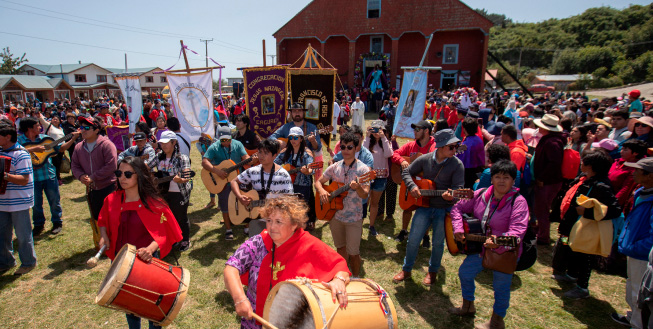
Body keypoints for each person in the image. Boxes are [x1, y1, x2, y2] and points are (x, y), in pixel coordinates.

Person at [224, 195, 350, 329]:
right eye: (269, 220)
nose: (272, 227)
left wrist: (339, 279)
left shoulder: (309, 244)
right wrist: (240, 300)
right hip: (253, 321)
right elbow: (231, 267)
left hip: (292, 322)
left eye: (279, 222)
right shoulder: (259, 242)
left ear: (294, 224)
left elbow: (339, 266)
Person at [98, 156, 183, 329]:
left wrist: (150, 249)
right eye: (118, 173)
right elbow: (103, 221)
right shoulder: (111, 200)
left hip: (148, 261)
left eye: (128, 174)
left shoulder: (154, 203)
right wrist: (103, 236)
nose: (122, 178)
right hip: (123, 262)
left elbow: (164, 233)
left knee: (152, 304)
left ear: (139, 176)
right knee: (129, 303)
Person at [449, 160, 529, 329]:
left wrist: (500, 242)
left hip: (505, 251)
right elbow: (457, 209)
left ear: (513, 181)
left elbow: (518, 231)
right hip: (479, 248)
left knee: (501, 287)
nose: (501, 181)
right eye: (497, 176)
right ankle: (468, 306)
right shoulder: (481, 194)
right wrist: (457, 228)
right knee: (465, 273)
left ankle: (496, 321)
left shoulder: (518, 202)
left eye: (506, 177)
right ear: (491, 179)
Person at [393, 129, 465, 286]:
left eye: (456, 146)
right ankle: (406, 269)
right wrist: (412, 186)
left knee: (438, 243)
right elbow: (407, 173)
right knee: (413, 239)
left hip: (443, 209)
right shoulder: (425, 159)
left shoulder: (457, 165)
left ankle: (433, 271)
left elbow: (459, 189)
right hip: (424, 206)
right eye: (451, 147)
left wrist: (452, 194)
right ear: (440, 146)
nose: (455, 150)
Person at [551, 150, 621, 299]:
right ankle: (571, 274)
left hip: (586, 230)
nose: (581, 163)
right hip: (572, 226)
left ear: (592, 167)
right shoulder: (585, 179)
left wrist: (588, 213)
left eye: (584, 162)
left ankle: (582, 287)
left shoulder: (602, 186)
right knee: (570, 248)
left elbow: (615, 210)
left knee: (584, 258)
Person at [316, 132, 370, 277]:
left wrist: (358, 187)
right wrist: (322, 191)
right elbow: (318, 182)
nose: (345, 151)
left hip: (354, 217)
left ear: (356, 148)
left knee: (354, 253)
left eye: (349, 147)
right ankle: (343, 274)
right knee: (340, 249)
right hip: (335, 216)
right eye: (343, 147)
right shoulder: (335, 167)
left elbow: (365, 195)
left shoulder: (363, 170)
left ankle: (356, 277)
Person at [611, 157, 653, 328]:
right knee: (632, 285)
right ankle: (632, 316)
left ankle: (638, 324)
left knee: (640, 291)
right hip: (633, 249)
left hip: (643, 255)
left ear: (650, 175)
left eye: (638, 170)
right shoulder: (641, 192)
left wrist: (637, 248)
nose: (633, 173)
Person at [18, 117, 78, 235]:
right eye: (37, 126)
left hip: (48, 175)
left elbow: (61, 148)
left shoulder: (45, 139)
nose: (40, 127)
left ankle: (57, 222)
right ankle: (39, 225)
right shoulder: (19, 141)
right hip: (32, 178)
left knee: (54, 201)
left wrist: (72, 138)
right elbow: (15, 151)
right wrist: (33, 149)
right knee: (36, 204)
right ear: (29, 128)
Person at [71, 114, 118, 248]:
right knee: (97, 217)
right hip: (92, 189)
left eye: (87, 127)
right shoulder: (79, 147)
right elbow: (74, 165)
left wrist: (93, 177)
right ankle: (101, 242)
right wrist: (81, 176)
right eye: (81, 127)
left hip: (109, 186)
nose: (83, 130)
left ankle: (116, 241)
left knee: (112, 216)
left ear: (96, 129)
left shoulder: (106, 144)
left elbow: (111, 165)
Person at [231, 139, 293, 237]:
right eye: (260, 152)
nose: (261, 156)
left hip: (276, 220)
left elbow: (289, 200)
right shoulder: (253, 171)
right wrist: (239, 197)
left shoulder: (283, 175)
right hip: (257, 219)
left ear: (274, 155)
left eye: (266, 153)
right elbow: (233, 181)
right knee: (256, 247)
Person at [0, 122, 37, 276]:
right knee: (3, 235)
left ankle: (28, 262)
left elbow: (24, 179)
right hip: (2, 201)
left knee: (23, 235)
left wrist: (5, 176)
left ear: (8, 136)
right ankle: (6, 261)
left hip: (19, 202)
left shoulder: (21, 154)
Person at [390, 120, 436, 243]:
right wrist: (402, 161)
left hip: (427, 183)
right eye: (414, 129)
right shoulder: (411, 145)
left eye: (417, 129)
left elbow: (435, 158)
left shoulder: (434, 145)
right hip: (410, 182)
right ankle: (404, 230)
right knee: (407, 207)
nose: (414, 132)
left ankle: (425, 235)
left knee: (426, 208)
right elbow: (395, 154)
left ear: (426, 131)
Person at [202, 126, 250, 240]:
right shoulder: (214, 147)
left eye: (228, 139)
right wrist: (216, 171)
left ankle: (246, 226)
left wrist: (250, 158)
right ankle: (228, 229)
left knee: (244, 201)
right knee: (225, 205)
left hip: (239, 179)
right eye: (223, 140)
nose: (226, 142)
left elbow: (245, 157)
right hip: (223, 183)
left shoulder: (237, 144)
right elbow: (204, 162)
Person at [148, 131, 193, 251]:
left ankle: (185, 239)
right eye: (162, 143)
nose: (163, 146)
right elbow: (147, 167)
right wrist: (151, 177)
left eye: (166, 143)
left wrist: (181, 179)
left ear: (174, 143)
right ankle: (173, 238)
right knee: (167, 216)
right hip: (163, 191)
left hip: (178, 192)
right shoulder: (159, 157)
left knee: (180, 216)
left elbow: (187, 175)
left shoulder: (182, 158)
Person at [532, 114, 566, 245]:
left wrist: (542, 178)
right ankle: (541, 231)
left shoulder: (552, 143)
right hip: (548, 181)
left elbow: (554, 163)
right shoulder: (551, 140)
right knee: (541, 208)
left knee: (542, 209)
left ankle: (543, 237)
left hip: (548, 182)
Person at [273, 127, 315, 229]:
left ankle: (301, 228)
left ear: (301, 139)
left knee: (300, 209)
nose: (293, 140)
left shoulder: (306, 153)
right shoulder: (286, 151)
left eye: (295, 138)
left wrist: (307, 171)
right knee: (288, 208)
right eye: (291, 137)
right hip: (287, 184)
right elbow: (274, 164)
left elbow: (311, 168)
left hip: (303, 185)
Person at [363, 120, 393, 236]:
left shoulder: (386, 142)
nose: (376, 132)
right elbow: (363, 153)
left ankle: (371, 225)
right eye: (374, 129)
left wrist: (384, 138)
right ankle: (360, 221)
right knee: (364, 200)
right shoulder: (368, 142)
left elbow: (388, 154)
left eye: (378, 129)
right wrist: (367, 137)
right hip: (368, 176)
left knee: (374, 203)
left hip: (381, 177)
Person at [457, 117, 485, 189]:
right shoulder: (479, 140)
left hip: (468, 172)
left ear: (465, 129)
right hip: (478, 170)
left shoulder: (466, 144)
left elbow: (459, 159)